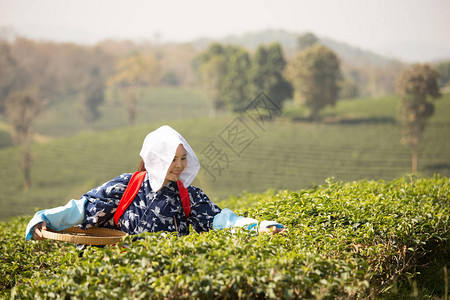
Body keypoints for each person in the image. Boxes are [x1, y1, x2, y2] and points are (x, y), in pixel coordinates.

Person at [25, 125, 284, 241]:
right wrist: (44, 218)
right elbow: (83, 209)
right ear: (156, 159)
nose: (180, 165)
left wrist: (257, 227)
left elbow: (220, 220)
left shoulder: (189, 196)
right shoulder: (126, 186)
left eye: (183, 159)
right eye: (173, 159)